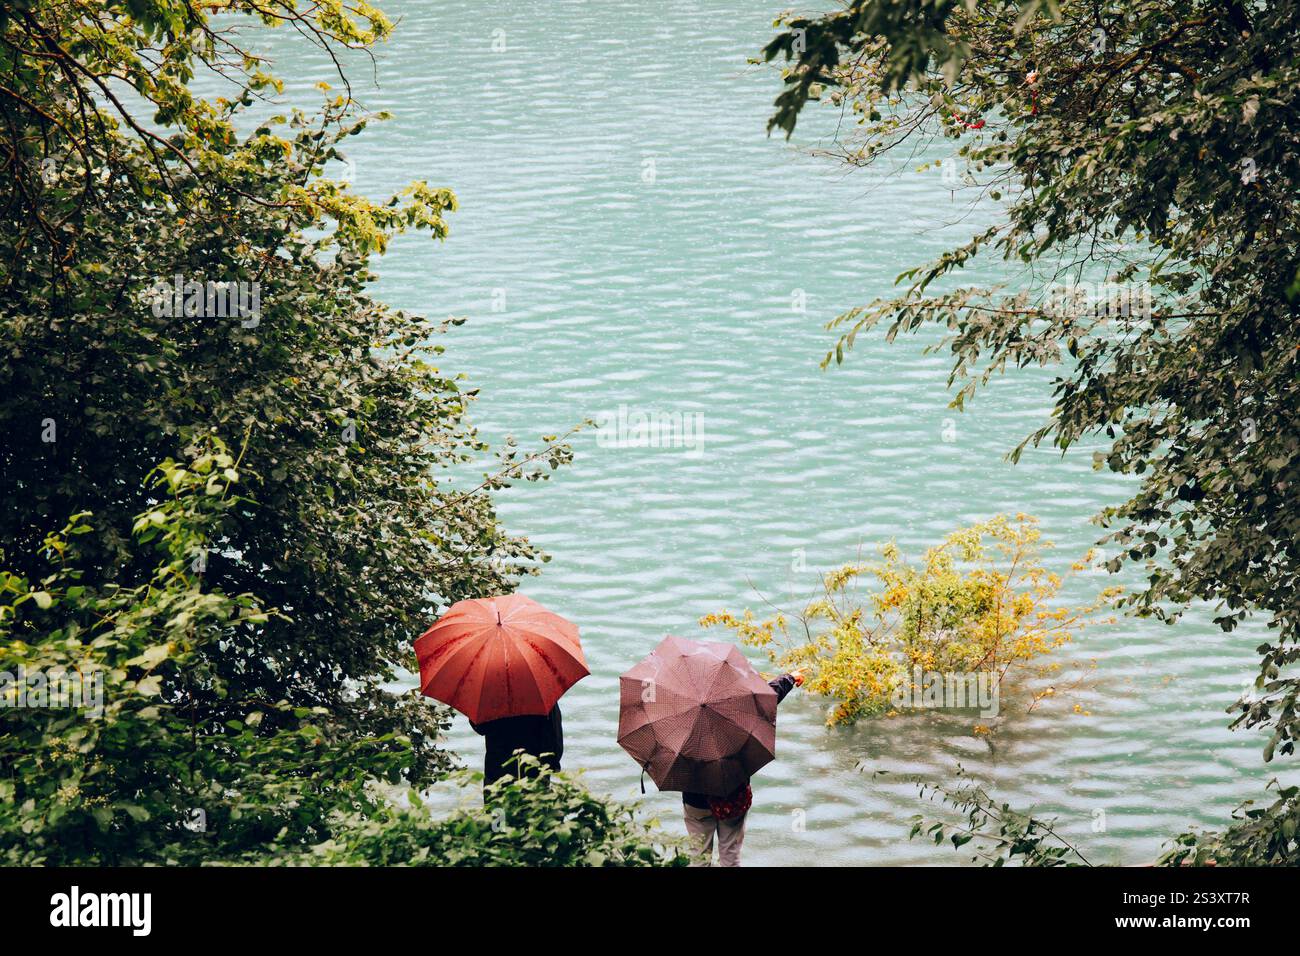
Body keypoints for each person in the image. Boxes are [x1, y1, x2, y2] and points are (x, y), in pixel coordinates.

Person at [681, 670, 803, 867]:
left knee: (699, 857)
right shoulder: (737, 710)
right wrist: (789, 678)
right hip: (733, 796)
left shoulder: (680, 720)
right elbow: (768, 697)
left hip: (696, 800)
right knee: (731, 856)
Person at [469, 703, 563, 796]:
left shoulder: (490, 695)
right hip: (534, 772)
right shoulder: (542, 696)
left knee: (497, 809)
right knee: (533, 809)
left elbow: (480, 727)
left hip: (496, 771)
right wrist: (551, 765)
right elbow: (554, 734)